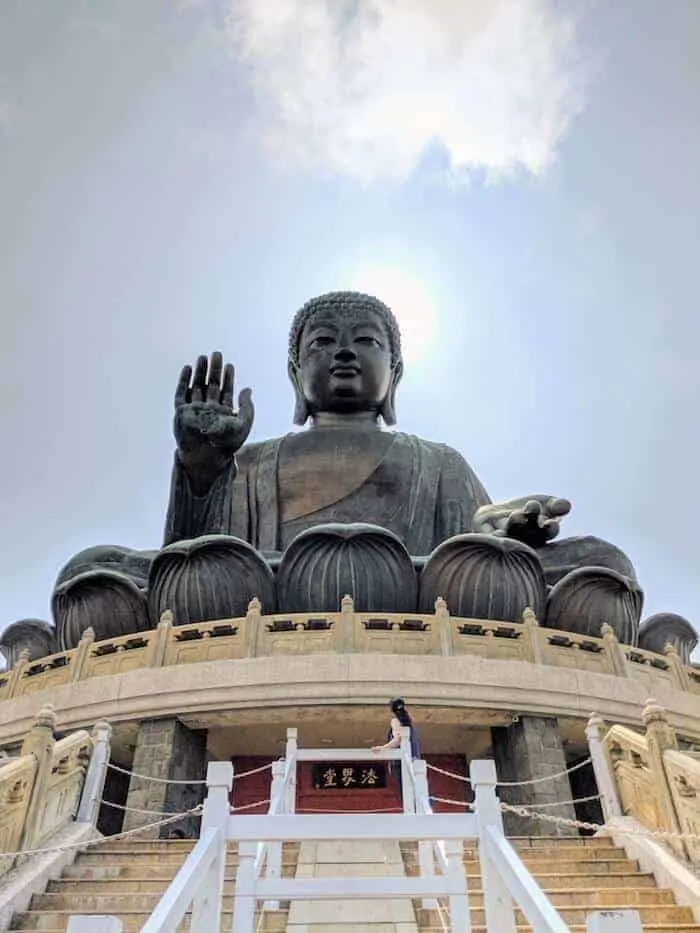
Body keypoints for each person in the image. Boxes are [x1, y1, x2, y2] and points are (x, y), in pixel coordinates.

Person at [371, 697, 420, 805]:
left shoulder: (396, 721)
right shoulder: (408, 721)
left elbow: (398, 739)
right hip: (414, 759)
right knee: (415, 790)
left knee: (406, 793)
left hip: (402, 762)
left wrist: (382, 748)